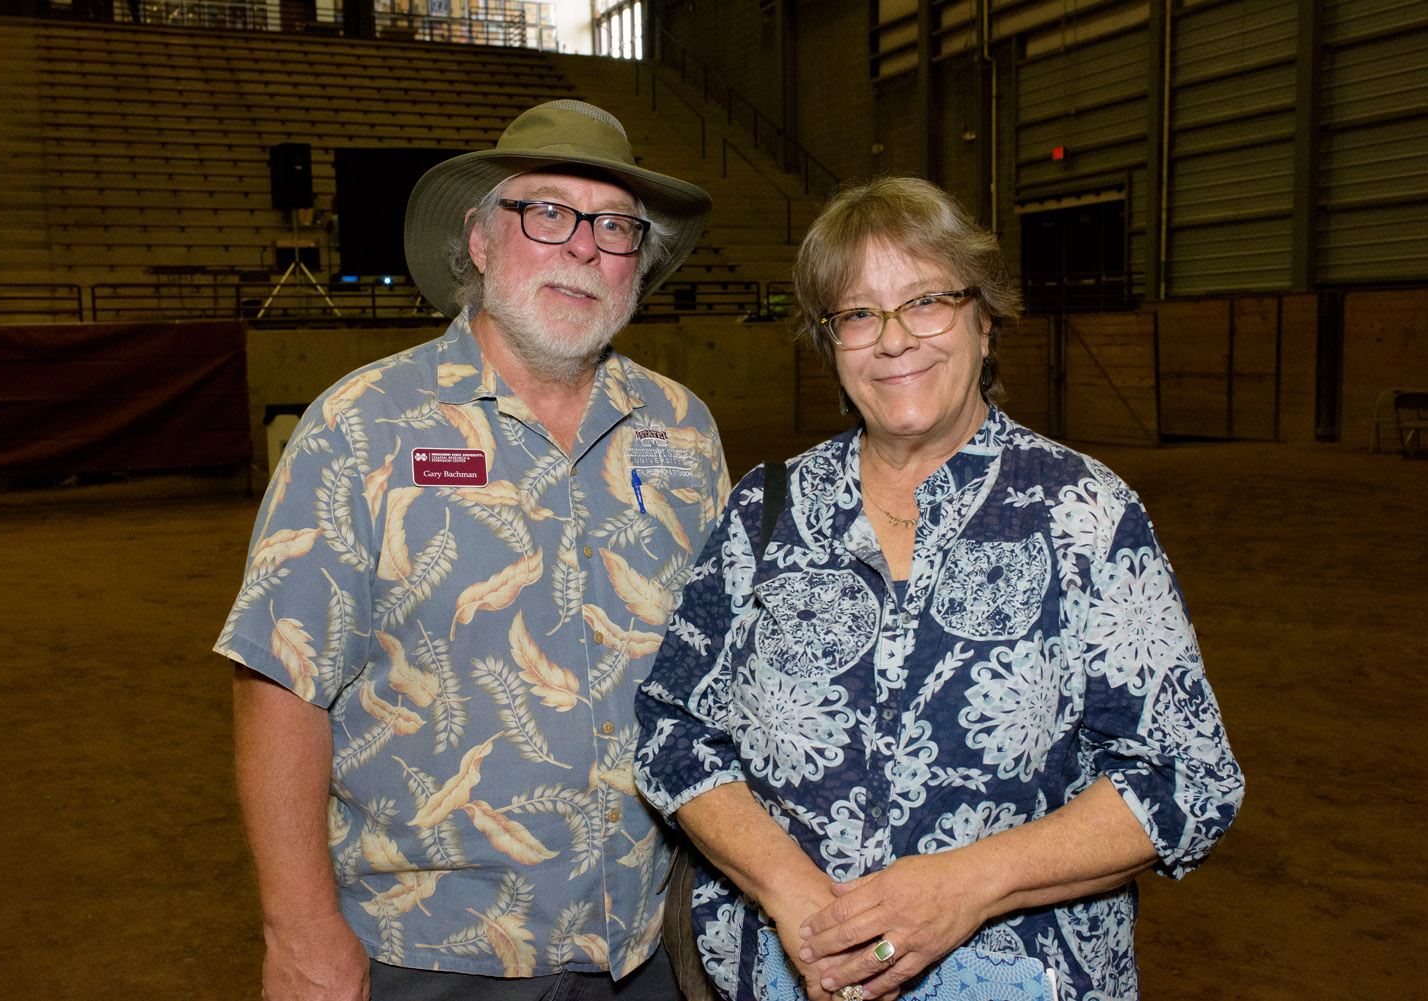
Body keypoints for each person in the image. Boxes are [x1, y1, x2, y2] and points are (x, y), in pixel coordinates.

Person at [633, 176, 1243, 1001]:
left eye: (926, 301)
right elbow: (673, 726)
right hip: (780, 977)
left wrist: (969, 885)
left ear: (984, 323)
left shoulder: (1083, 513)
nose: (893, 340)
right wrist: (790, 893)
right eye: (859, 313)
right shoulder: (766, 509)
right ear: (831, 342)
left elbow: (1184, 775)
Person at [216, 100, 731, 1001]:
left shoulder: (683, 431)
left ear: (638, 263)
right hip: (435, 954)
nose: (582, 245)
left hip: (645, 947)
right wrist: (298, 931)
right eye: (547, 211)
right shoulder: (363, 427)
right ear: (481, 241)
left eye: (614, 226)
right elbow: (280, 684)